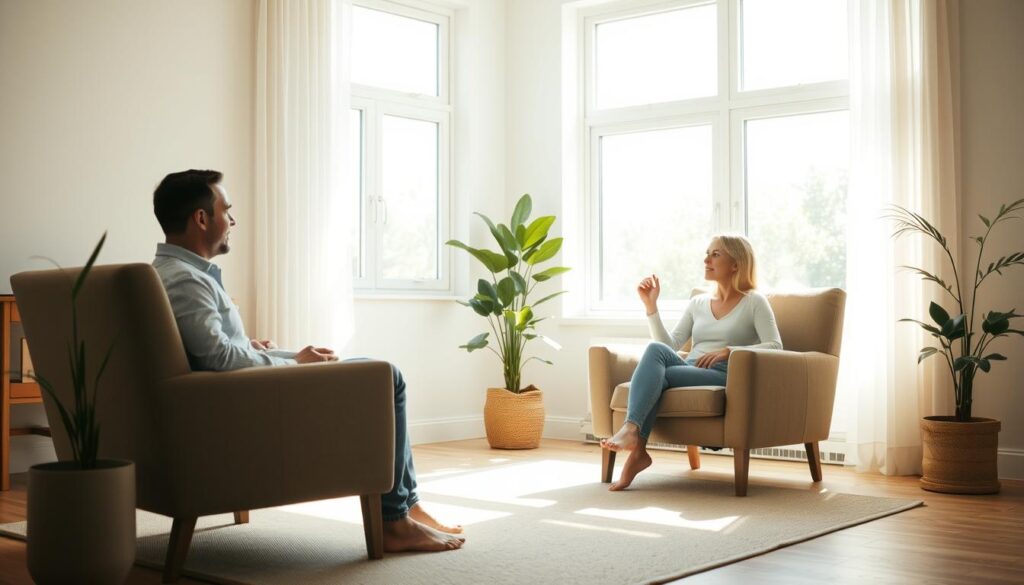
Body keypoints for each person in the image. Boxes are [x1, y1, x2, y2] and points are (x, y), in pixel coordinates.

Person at [150, 169, 464, 553]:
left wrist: (286, 354)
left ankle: (406, 506)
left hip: (232, 398)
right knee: (387, 377)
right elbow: (219, 356)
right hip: (246, 410)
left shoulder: (172, 272)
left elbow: (214, 351)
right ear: (201, 218)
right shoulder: (186, 279)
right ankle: (395, 521)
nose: (232, 221)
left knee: (366, 366)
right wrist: (295, 366)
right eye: (226, 210)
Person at [600, 234, 782, 491]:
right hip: (688, 368)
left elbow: (775, 345)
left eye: (715, 254)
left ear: (736, 264)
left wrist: (729, 351)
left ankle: (635, 442)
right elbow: (669, 345)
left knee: (658, 375)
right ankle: (635, 444)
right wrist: (651, 307)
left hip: (723, 374)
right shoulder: (698, 303)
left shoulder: (754, 301)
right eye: (707, 253)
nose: (706, 260)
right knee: (655, 351)